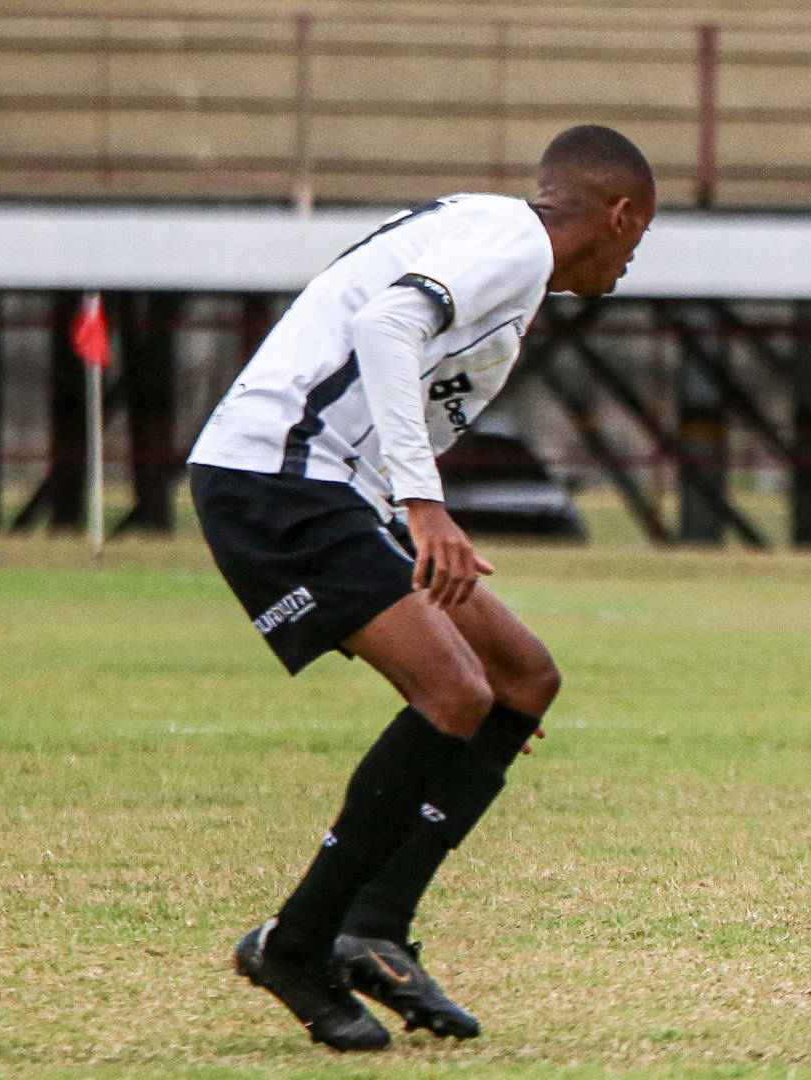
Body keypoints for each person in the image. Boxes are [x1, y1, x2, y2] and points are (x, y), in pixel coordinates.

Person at [186, 125, 655, 1051]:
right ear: (619, 212)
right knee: (453, 692)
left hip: (339, 484)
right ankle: (296, 944)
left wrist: (404, 508)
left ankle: (376, 928)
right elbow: (384, 324)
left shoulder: (500, 251)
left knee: (520, 680)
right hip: (278, 475)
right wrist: (426, 506)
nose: (632, 263)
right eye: (639, 241)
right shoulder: (514, 243)